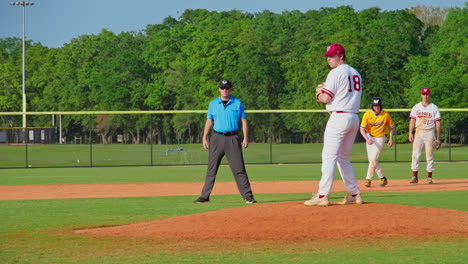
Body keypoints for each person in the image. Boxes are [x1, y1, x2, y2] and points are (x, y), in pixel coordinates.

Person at [305, 43, 364, 206]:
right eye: (328, 57)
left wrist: (318, 95)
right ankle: (354, 193)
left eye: (332, 56)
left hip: (339, 117)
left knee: (329, 156)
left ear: (341, 56)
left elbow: (326, 98)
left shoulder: (336, 72)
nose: (329, 59)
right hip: (353, 118)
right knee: (342, 157)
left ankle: (322, 195)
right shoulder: (356, 73)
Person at [194, 79, 257, 204]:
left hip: (233, 138)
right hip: (217, 138)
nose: (225, 90)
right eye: (222, 88)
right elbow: (209, 121)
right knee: (211, 168)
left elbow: (243, 121)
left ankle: (248, 196)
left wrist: (245, 137)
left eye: (227, 88)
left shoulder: (237, 103)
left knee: (239, 168)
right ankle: (205, 196)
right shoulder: (213, 104)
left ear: (231, 89)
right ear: (219, 89)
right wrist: (204, 137)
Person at [408, 88, 441, 184]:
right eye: (424, 94)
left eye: (427, 94)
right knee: (415, 154)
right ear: (421, 95)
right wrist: (410, 133)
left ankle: (429, 177)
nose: (425, 96)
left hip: (429, 132)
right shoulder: (416, 107)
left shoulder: (434, 108)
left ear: (430, 95)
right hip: (418, 132)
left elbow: (438, 123)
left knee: (429, 155)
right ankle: (415, 176)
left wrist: (438, 137)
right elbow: (412, 120)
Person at [359, 97, 395, 188]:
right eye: (375, 105)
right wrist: (367, 139)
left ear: (381, 105)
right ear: (372, 106)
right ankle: (383, 178)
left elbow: (391, 127)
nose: (377, 107)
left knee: (373, 159)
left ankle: (368, 180)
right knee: (372, 160)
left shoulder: (385, 114)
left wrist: (390, 139)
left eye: (378, 105)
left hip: (380, 138)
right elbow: (362, 129)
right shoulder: (367, 114)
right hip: (370, 137)